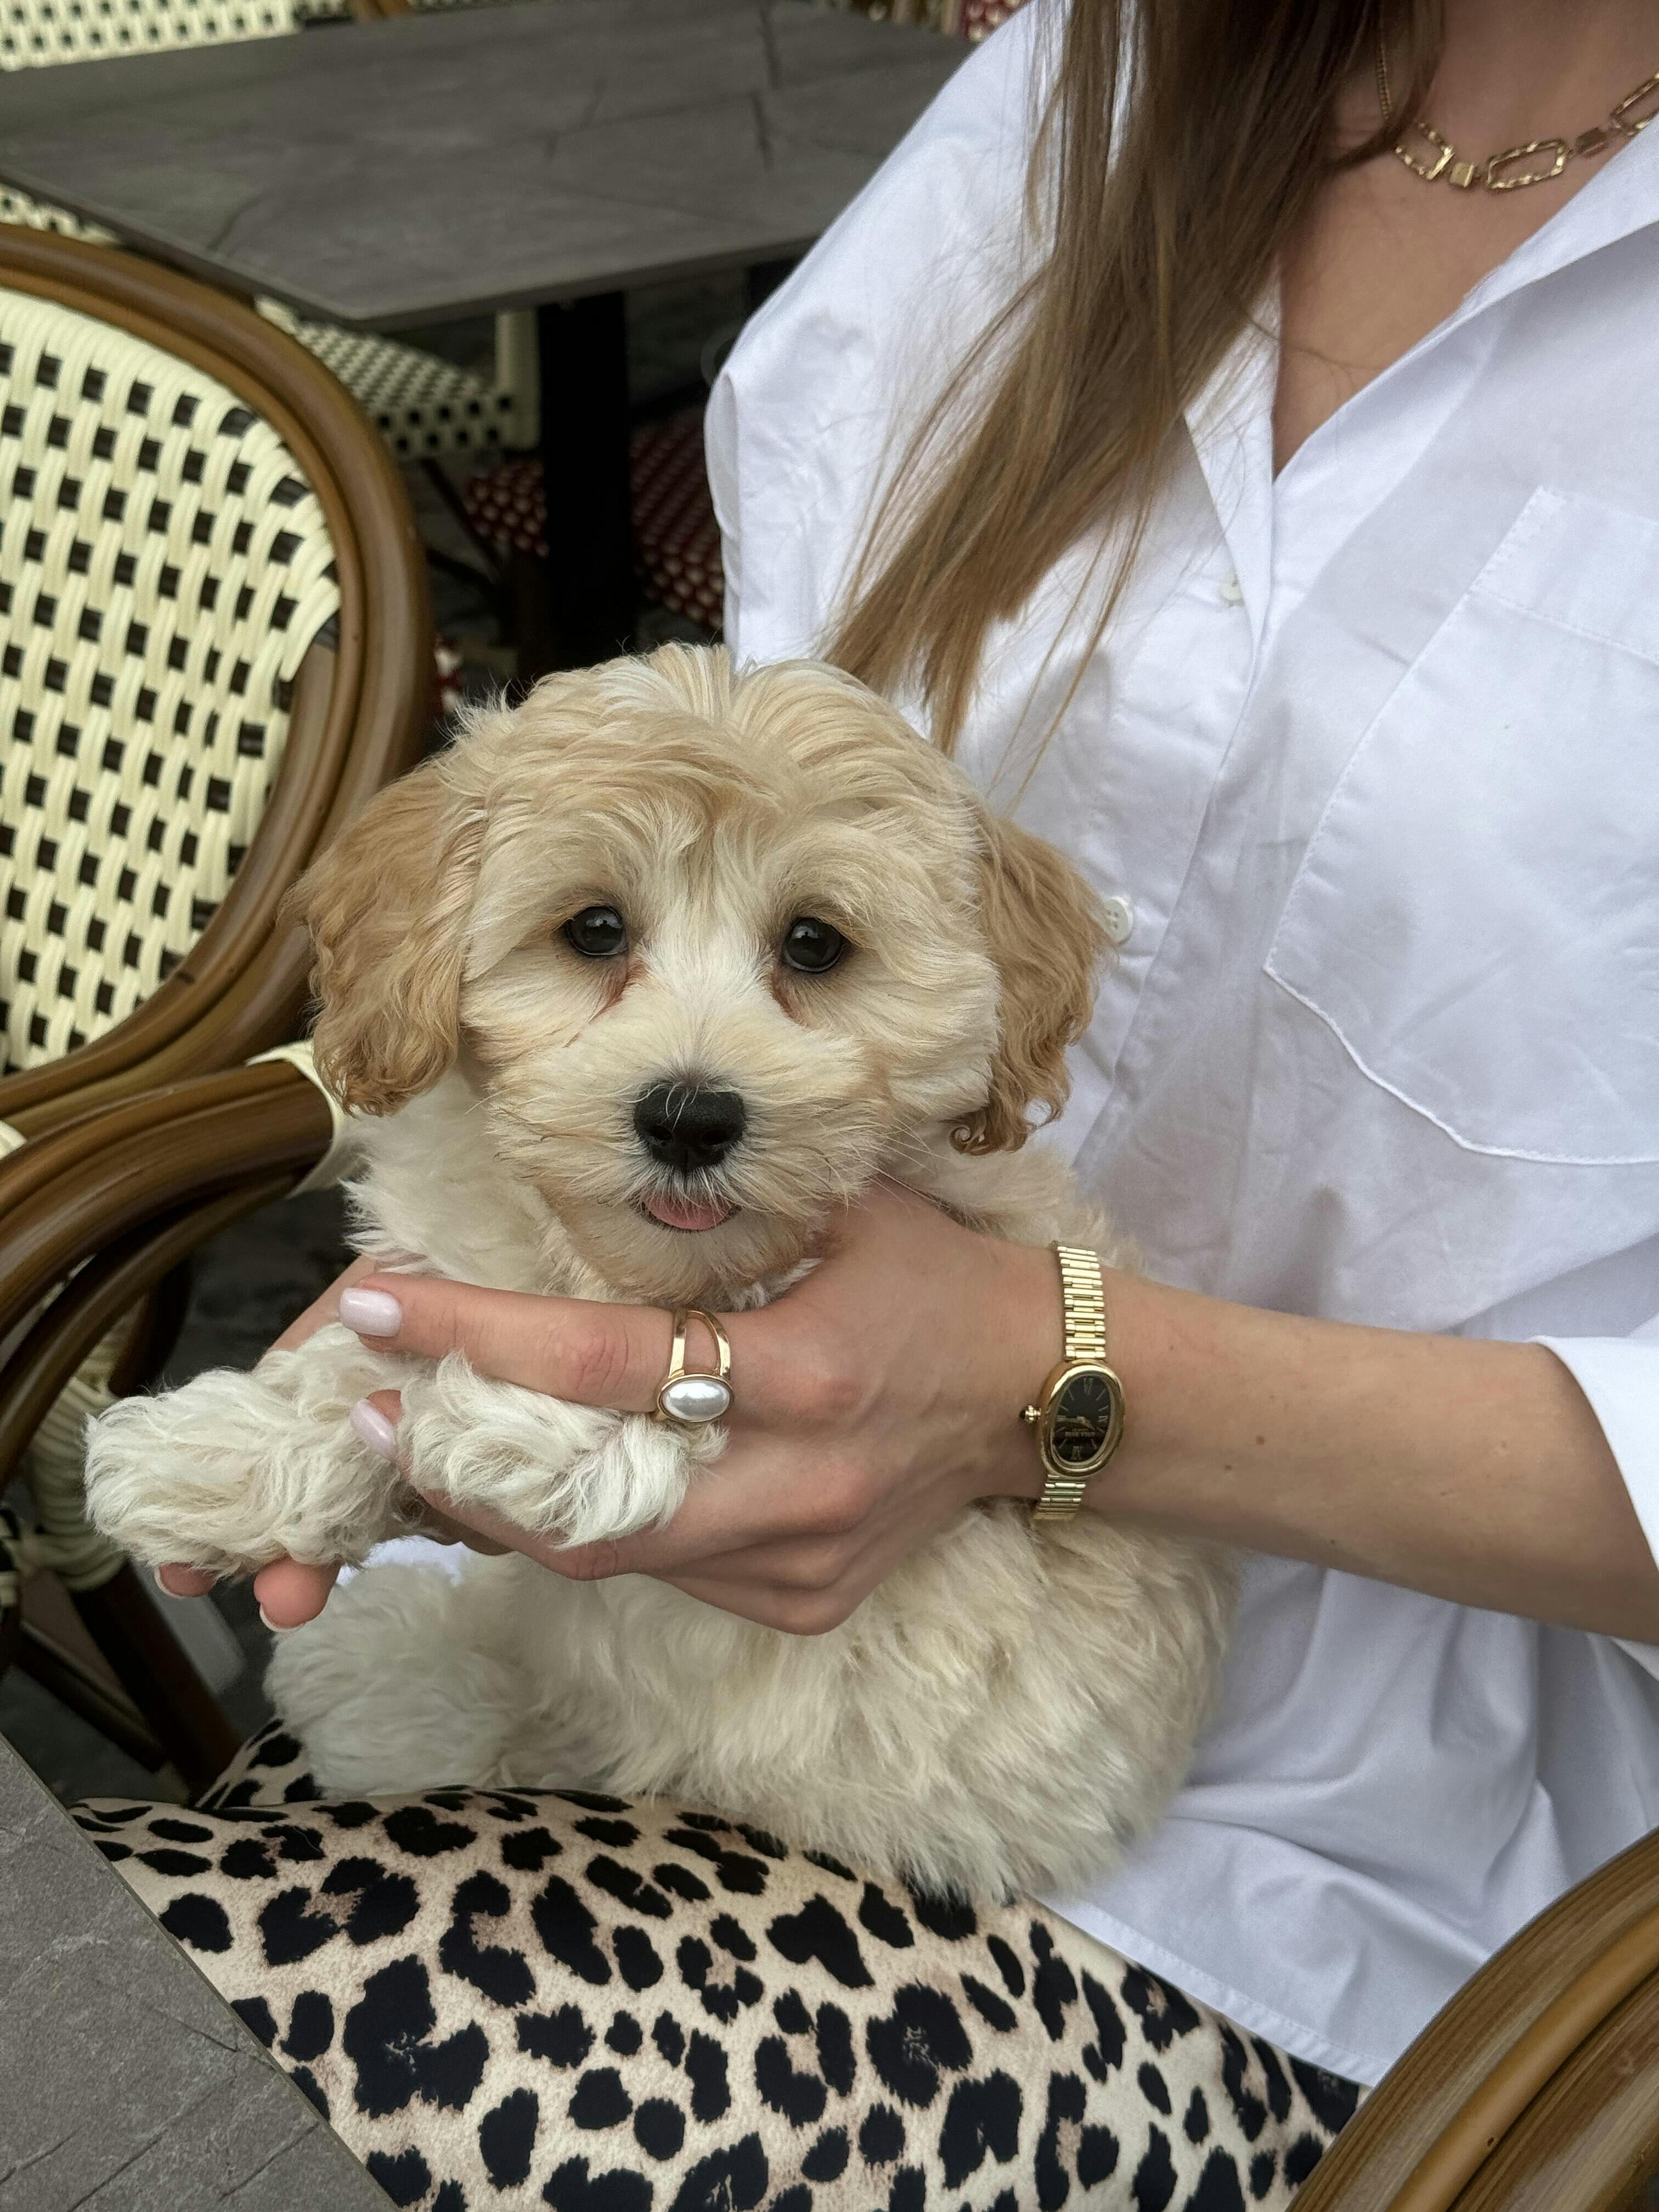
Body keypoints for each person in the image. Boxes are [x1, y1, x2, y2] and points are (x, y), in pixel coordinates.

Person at [139, 0, 1659, 2198]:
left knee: (181, 2092)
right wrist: (497, 1291)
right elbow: (756, 793)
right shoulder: (1085, 89)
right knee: (100, 2018)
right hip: (598, 1645)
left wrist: (1034, 1378)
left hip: (1331, 1891)